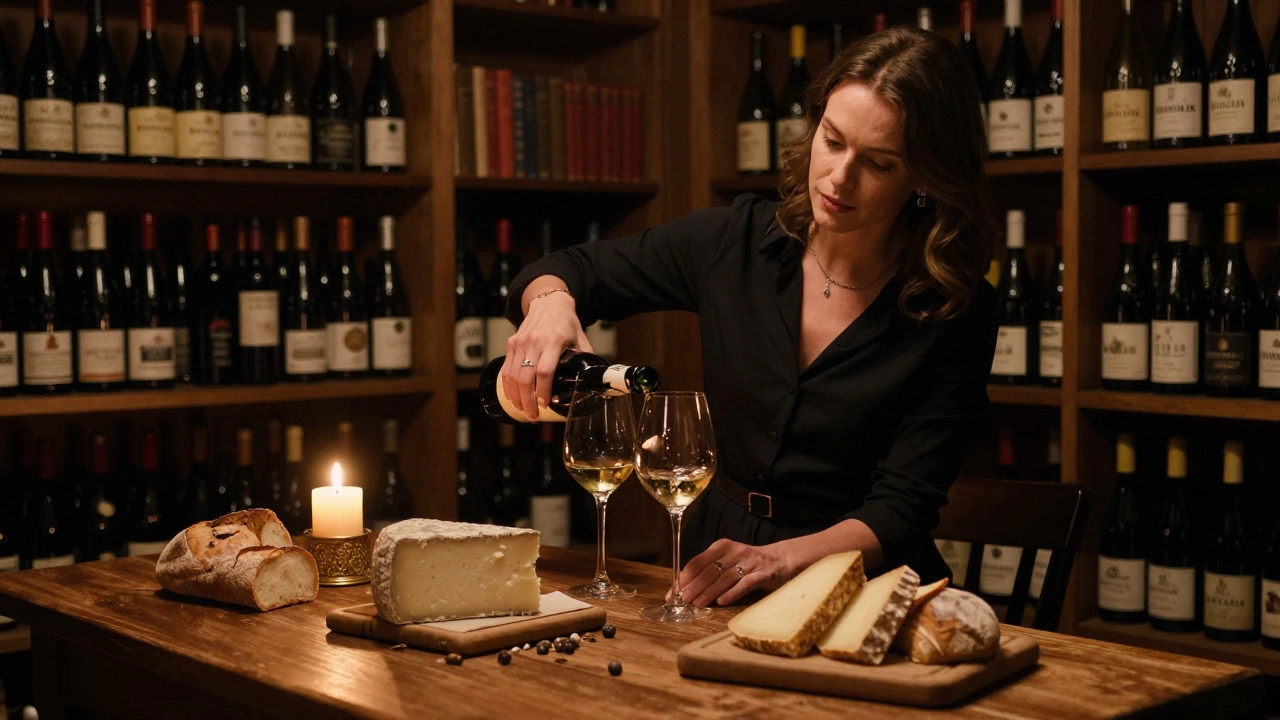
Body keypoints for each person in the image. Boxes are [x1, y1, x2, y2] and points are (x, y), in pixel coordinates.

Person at [501, 27, 997, 608]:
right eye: (832, 142)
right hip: (717, 562)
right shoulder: (732, 242)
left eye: (879, 164)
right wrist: (550, 303)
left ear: (924, 179)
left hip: (862, 586)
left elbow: (902, 506)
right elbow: (568, 267)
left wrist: (778, 559)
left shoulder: (956, 309)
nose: (839, 177)